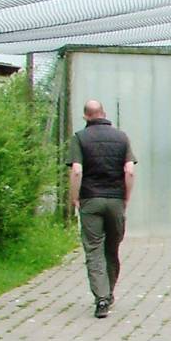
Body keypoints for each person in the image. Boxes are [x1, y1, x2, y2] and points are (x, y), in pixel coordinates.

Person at [66, 99, 136, 318]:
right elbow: (130, 171)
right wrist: (126, 197)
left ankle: (102, 298)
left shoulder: (79, 138)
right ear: (103, 113)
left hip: (91, 200)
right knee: (112, 249)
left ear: (86, 116)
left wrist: (74, 197)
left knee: (94, 249)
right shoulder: (121, 137)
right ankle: (109, 292)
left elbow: (76, 171)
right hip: (115, 201)